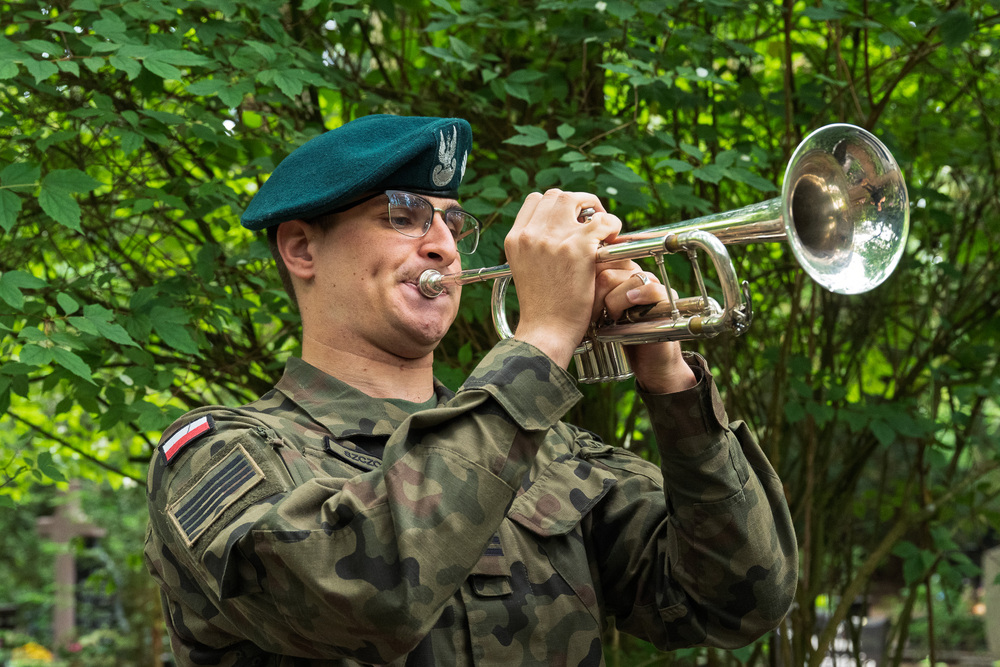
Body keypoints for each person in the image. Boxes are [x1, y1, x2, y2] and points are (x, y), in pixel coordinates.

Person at [144, 115, 797, 666]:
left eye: (453, 223)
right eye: (403, 216)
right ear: (301, 249)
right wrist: (543, 339)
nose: (444, 247)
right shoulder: (214, 454)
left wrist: (669, 380)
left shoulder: (551, 449)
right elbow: (369, 596)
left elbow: (737, 600)